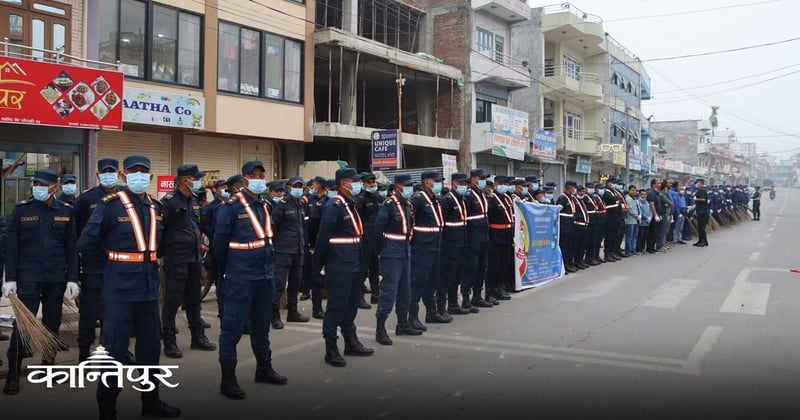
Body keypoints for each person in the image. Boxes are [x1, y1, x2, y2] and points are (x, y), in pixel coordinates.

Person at [77, 154, 180, 418]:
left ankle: (151, 401)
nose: (138, 175)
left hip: (148, 288)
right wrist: (112, 265)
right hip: (120, 289)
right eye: (133, 171)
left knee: (149, 348)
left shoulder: (156, 207)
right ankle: (107, 406)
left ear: (151, 176)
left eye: (143, 171)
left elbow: (161, 244)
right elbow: (87, 242)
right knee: (113, 348)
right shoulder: (109, 206)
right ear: (124, 176)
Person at [213, 161, 287, 399]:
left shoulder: (264, 204)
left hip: (264, 275)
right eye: (253, 175)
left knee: (261, 326)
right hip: (240, 276)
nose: (258, 179)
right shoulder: (231, 206)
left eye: (261, 175)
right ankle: (227, 380)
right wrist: (226, 274)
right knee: (232, 329)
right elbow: (218, 246)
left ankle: (264, 368)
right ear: (244, 179)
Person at [2, 168, 78, 395]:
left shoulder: (66, 211)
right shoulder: (21, 210)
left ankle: (48, 366)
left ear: (54, 187)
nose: (37, 188)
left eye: (42, 185)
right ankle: (14, 374)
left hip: (56, 277)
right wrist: (10, 279)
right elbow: (12, 248)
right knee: (23, 325)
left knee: (52, 324)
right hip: (28, 277)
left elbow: (72, 248)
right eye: (35, 184)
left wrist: (73, 278)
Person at [314, 168, 374, 365]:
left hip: (354, 263)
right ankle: (330, 349)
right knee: (336, 307)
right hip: (339, 265)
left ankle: (351, 342)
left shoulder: (351, 204)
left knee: (351, 305)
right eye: (353, 181)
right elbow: (323, 239)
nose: (357, 184)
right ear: (343, 183)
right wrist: (318, 267)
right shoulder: (334, 206)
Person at [160, 164, 216, 359]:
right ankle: (169, 339)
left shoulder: (193, 200)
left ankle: (197, 336)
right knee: (173, 300)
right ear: (186, 180)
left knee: (194, 299)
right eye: (196, 178)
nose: (199, 182)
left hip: (194, 258)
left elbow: (195, 227)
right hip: (176, 259)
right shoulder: (168, 202)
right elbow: (160, 231)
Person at [72, 159, 123, 362]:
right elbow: (77, 236)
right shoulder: (86, 199)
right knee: (89, 311)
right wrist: (75, 273)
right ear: (97, 174)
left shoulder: (126, 196)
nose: (108, 175)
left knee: (116, 311)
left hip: (119, 264)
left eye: (112, 171)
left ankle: (112, 350)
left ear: (119, 174)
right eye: (104, 172)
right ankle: (84, 352)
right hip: (94, 265)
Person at [373, 174, 421, 344]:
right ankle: (380, 329)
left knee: (405, 290)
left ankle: (402, 324)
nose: (409, 188)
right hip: (391, 251)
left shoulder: (406, 204)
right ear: (398, 186)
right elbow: (378, 230)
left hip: (405, 250)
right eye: (407, 185)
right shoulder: (388, 205)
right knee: (388, 291)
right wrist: (380, 251)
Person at [409, 171, 449, 331]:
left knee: (432, 281)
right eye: (437, 181)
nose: (439, 183)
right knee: (418, 282)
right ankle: (412, 316)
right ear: (426, 182)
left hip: (435, 246)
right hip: (422, 248)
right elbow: (411, 224)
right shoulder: (418, 200)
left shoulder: (436, 200)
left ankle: (431, 312)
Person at [271, 176, 311, 330]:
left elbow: (303, 227)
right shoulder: (282, 205)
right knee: (279, 284)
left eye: (301, 186)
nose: (298, 189)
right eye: (296, 186)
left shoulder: (301, 204)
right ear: (288, 187)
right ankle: (274, 315)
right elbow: (273, 228)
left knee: (295, 282)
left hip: (298, 250)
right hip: (283, 250)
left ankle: (293, 312)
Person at [439, 172, 470, 315]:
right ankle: (441, 306)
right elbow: (441, 224)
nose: (465, 186)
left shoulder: (461, 199)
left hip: (461, 243)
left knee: (457, 275)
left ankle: (453, 304)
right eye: (462, 183)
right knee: (447, 276)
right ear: (454, 184)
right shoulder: (447, 200)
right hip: (450, 245)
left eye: (466, 184)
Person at [462, 169, 491, 312]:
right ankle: (466, 299)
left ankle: (477, 296)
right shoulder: (468, 196)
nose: (484, 181)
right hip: (473, 237)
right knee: (471, 268)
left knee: (481, 267)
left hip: (483, 236)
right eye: (482, 178)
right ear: (474, 179)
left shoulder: (482, 194)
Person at [201, 179, 229, 319]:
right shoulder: (211, 207)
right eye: (222, 187)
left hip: (231, 248)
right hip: (216, 247)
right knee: (220, 281)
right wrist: (215, 235)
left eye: (226, 187)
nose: (225, 190)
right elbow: (204, 225)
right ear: (216, 190)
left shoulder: (231, 205)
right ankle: (222, 310)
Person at [487, 176, 515, 298]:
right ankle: (491, 290)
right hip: (496, 236)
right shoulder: (491, 199)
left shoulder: (507, 198)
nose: (504, 185)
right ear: (495, 184)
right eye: (501, 183)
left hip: (507, 235)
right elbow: (488, 218)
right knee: (495, 265)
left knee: (504, 263)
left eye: (505, 183)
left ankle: (500, 287)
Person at [355, 172, 381, 306]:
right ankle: (359, 297)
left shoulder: (377, 197)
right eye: (369, 182)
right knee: (363, 268)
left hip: (375, 238)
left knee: (375, 268)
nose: (372, 184)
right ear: (363, 184)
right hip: (365, 238)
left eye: (373, 182)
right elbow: (357, 220)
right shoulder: (361, 199)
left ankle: (376, 295)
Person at [305, 176, 328, 319]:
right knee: (317, 277)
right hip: (316, 244)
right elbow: (311, 225)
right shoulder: (310, 200)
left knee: (329, 277)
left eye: (313, 184)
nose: (312, 186)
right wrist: (312, 244)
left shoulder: (329, 202)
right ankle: (317, 308)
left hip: (328, 243)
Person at [557, 181, 578, 273]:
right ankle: (563, 265)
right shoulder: (562, 198)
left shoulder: (571, 198)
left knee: (570, 245)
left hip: (571, 224)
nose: (574, 189)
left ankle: (569, 263)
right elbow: (558, 211)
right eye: (573, 187)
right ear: (569, 187)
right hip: (564, 225)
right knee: (564, 245)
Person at [645, 179, 662, 254]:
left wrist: (659, 215)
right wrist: (655, 215)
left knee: (655, 232)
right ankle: (649, 248)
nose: (659, 185)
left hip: (657, 214)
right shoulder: (651, 193)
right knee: (652, 231)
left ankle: (652, 247)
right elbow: (652, 204)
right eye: (658, 183)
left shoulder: (657, 193)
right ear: (653, 184)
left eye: (660, 183)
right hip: (652, 215)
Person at [624, 185, 640, 257]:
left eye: (635, 190)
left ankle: (633, 250)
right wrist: (637, 215)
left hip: (635, 220)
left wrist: (639, 215)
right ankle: (628, 251)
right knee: (629, 237)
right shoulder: (628, 199)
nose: (634, 192)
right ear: (629, 191)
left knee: (634, 236)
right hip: (630, 220)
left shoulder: (634, 199)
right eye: (632, 190)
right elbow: (630, 209)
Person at [694, 179, 710, 247]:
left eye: (697, 183)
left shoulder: (702, 190)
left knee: (701, 227)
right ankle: (702, 240)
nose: (696, 184)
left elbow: (703, 199)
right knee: (700, 227)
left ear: (700, 183)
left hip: (702, 212)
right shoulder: (702, 190)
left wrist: (696, 199)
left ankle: (703, 241)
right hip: (701, 211)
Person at [636, 188, 652, 254]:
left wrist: (651, 217)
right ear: (639, 195)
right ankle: (638, 249)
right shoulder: (638, 202)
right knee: (640, 236)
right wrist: (646, 218)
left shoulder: (647, 202)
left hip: (647, 222)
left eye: (645, 194)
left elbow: (650, 210)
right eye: (642, 194)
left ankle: (642, 248)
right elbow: (640, 212)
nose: (644, 195)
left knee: (645, 236)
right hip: (642, 222)